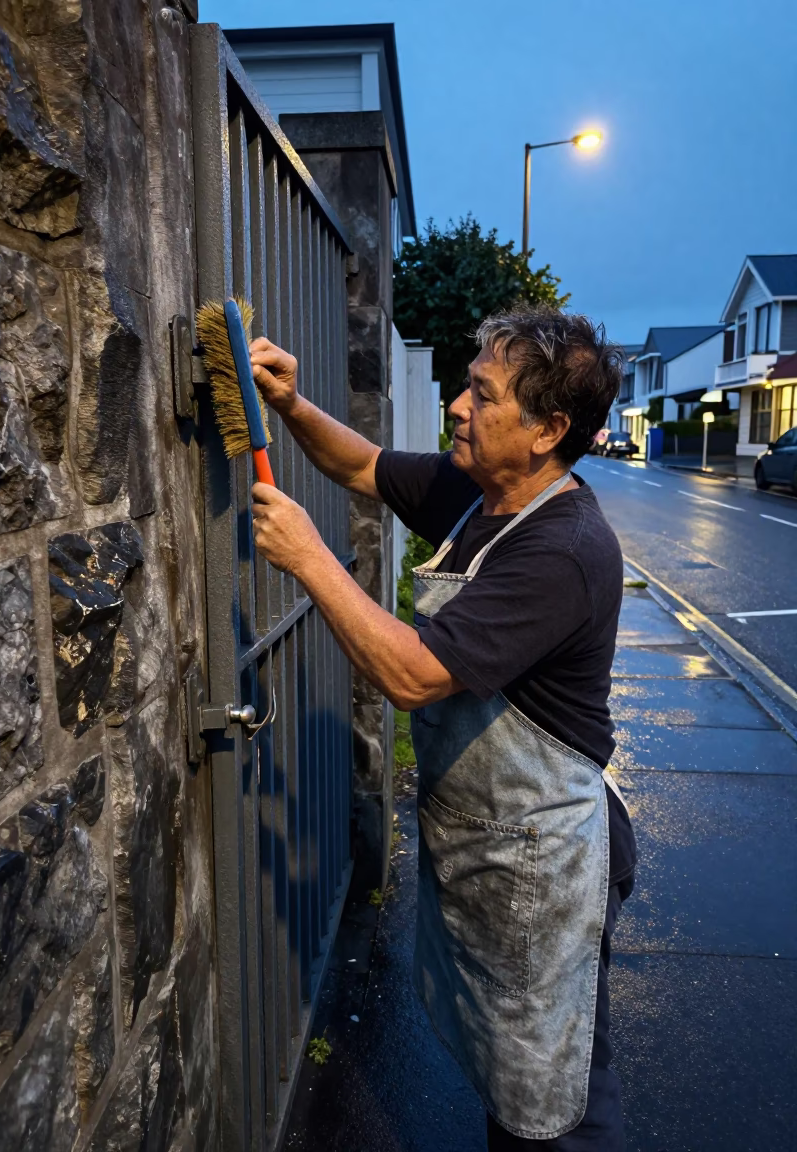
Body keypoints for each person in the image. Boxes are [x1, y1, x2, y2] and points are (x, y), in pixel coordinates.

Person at [248, 305, 636, 1150]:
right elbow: (365, 466)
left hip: (546, 865)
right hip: (492, 852)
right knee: (509, 1080)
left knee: (556, 1100)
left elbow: (414, 675)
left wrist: (312, 556)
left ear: (548, 431)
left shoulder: (563, 546)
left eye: (481, 393)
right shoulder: (483, 494)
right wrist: (288, 406)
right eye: (467, 382)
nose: (458, 405)